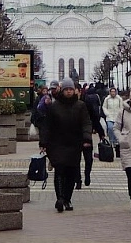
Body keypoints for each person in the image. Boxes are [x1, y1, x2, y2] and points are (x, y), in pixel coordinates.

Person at [38, 78, 92, 213]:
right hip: (57, 144)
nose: (68, 92)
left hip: (74, 144)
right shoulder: (54, 107)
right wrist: (43, 142)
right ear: (62, 91)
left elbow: (86, 123)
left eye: (71, 89)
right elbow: (47, 126)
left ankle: (67, 198)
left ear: (74, 91)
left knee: (71, 173)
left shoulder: (80, 106)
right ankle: (60, 199)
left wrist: (87, 138)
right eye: (66, 90)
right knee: (59, 171)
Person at [78, 86, 106, 188]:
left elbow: (94, 117)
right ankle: (78, 179)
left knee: (88, 159)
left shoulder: (87, 102)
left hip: (86, 134)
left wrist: (101, 133)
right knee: (75, 159)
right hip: (73, 136)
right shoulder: (69, 104)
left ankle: (87, 174)